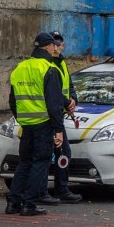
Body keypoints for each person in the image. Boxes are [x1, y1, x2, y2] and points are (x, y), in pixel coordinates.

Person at [5, 32, 67, 216]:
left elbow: (12, 101)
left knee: (24, 163)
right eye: (53, 45)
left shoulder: (20, 68)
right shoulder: (49, 68)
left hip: (27, 124)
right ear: (48, 47)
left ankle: (13, 202)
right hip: (44, 123)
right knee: (40, 162)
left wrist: (21, 117)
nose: (55, 48)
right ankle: (29, 204)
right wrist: (58, 130)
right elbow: (54, 104)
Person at [46, 31, 83, 203]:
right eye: (54, 44)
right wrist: (66, 102)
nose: (57, 47)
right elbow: (52, 92)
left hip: (58, 114)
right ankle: (52, 190)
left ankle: (60, 189)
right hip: (49, 115)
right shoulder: (47, 64)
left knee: (62, 152)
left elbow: (69, 85)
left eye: (59, 44)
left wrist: (72, 100)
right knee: (50, 154)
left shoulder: (61, 63)